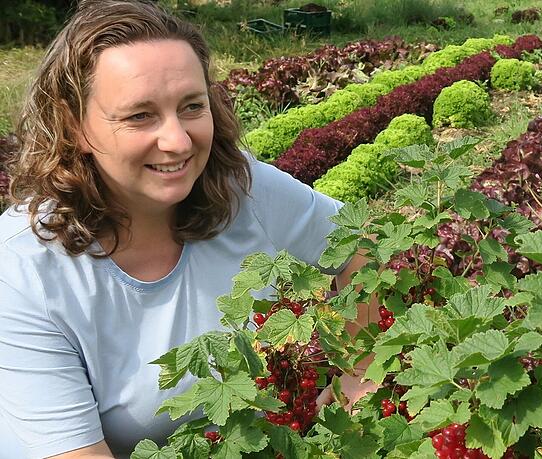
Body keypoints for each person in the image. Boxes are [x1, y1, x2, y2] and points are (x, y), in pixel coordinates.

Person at [0, 1, 377, 457]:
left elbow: (361, 249)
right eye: (140, 115)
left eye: (192, 106)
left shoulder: (242, 190)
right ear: (74, 125)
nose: (178, 141)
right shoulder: (23, 271)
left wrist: (360, 373)